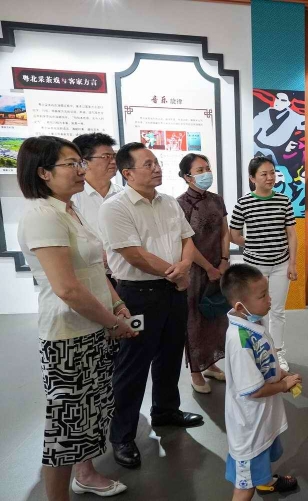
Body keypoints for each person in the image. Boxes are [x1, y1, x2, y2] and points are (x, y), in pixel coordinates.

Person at [16, 136, 137, 500]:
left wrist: (117, 304)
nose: (81, 170)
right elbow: (67, 288)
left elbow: (95, 270)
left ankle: (85, 475)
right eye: (71, 164)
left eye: (80, 162)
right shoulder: (43, 215)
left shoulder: (69, 210)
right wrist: (112, 322)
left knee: (90, 415)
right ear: (43, 172)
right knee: (64, 429)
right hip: (68, 336)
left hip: (93, 327)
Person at [99, 142, 203, 469]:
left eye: (156, 162)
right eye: (148, 164)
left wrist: (184, 267)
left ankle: (166, 410)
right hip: (138, 295)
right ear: (127, 173)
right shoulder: (115, 207)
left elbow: (187, 239)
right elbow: (133, 254)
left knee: (170, 355)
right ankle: (122, 435)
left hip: (173, 291)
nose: (156, 168)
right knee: (132, 365)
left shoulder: (169, 202)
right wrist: (176, 273)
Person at [220, 264, 301, 500]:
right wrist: (283, 386)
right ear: (240, 307)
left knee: (263, 454)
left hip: (262, 419)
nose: (269, 299)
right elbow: (253, 390)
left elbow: (264, 359)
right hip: (249, 427)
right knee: (245, 486)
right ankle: (256, 484)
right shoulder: (240, 340)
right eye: (262, 296)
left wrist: (280, 374)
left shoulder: (254, 324)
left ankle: (265, 481)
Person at [229, 156, 297, 372]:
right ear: (252, 178)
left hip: (280, 264)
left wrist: (293, 263)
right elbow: (233, 234)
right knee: (257, 311)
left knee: (277, 311)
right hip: (255, 267)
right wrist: (251, 243)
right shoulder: (243, 203)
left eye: (272, 173)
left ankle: (278, 352)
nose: (270, 177)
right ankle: (261, 352)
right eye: (264, 174)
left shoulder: (284, 201)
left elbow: (291, 234)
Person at [177, 153, 230, 393]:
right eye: (200, 170)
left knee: (216, 317)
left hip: (219, 267)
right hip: (195, 271)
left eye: (207, 168)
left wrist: (224, 261)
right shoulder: (180, 204)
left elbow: (224, 232)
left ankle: (211, 364)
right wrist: (208, 267)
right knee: (194, 321)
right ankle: (196, 372)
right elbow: (185, 242)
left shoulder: (217, 200)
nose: (206, 173)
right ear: (187, 176)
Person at [71, 133, 123, 286]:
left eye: (114, 156)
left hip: (124, 275)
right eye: (106, 157)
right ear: (84, 162)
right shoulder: (72, 197)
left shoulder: (124, 195)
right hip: (88, 275)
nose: (113, 161)